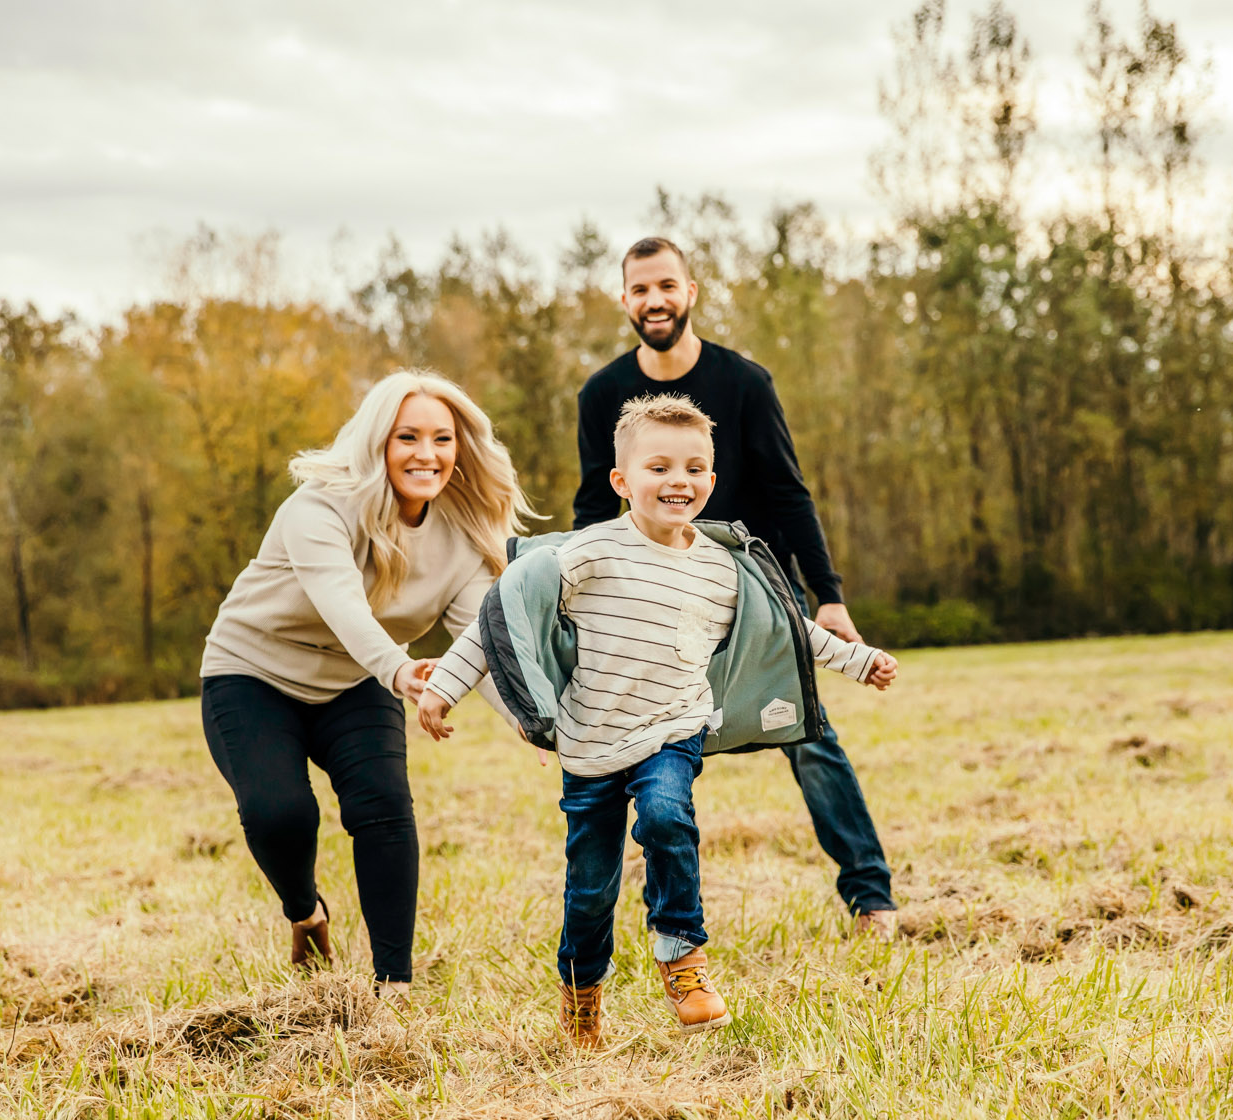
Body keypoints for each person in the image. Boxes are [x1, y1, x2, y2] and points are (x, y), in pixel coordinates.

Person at [416, 394, 896, 1045]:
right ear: (622, 481)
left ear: (712, 480)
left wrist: (858, 661)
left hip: (673, 731)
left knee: (668, 816)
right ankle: (582, 995)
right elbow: (505, 611)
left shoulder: (723, 566)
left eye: (695, 468)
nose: (679, 481)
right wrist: (443, 688)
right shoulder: (590, 552)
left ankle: (682, 954)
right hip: (590, 745)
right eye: (660, 467)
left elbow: (787, 628)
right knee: (590, 890)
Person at [572, 236, 902, 938]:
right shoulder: (601, 395)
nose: (654, 300)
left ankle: (871, 897)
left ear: (691, 292)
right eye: (640, 289)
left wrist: (828, 593)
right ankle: (652, 916)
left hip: (750, 587)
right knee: (640, 753)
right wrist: (570, 612)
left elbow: (789, 493)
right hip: (646, 594)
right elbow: (590, 508)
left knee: (811, 736)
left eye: (666, 285)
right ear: (624, 300)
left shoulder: (746, 383)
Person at [198, 370, 533, 995]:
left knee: (384, 809)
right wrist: (402, 670)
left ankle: (393, 987)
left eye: (441, 439)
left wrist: (529, 721)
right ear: (378, 441)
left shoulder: (462, 538)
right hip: (253, 673)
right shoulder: (319, 508)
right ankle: (305, 910)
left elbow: (481, 643)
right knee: (279, 813)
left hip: (360, 683)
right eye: (408, 436)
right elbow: (342, 602)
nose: (426, 454)